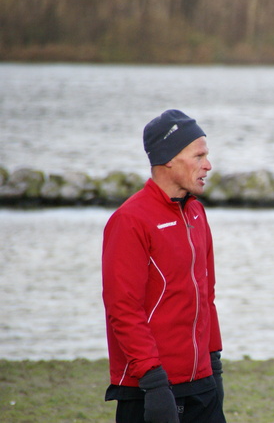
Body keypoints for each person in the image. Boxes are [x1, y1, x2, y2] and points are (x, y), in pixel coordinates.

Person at [102, 109, 226, 423]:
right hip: (152, 388)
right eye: (199, 155)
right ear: (168, 158)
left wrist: (215, 365)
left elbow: (206, 297)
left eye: (207, 155)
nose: (208, 165)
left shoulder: (197, 212)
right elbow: (123, 308)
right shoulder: (130, 220)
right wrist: (155, 385)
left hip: (202, 383)